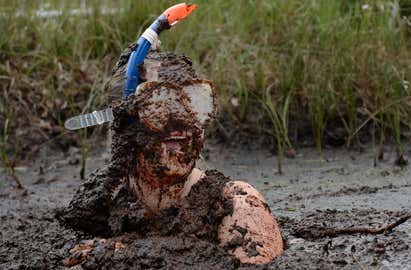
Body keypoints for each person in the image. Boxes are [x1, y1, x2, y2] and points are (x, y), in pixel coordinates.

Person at [60, 50, 283, 265]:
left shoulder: (237, 205)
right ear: (122, 124)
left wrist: (126, 254)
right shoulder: (96, 202)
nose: (181, 122)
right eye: (159, 106)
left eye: (194, 103)